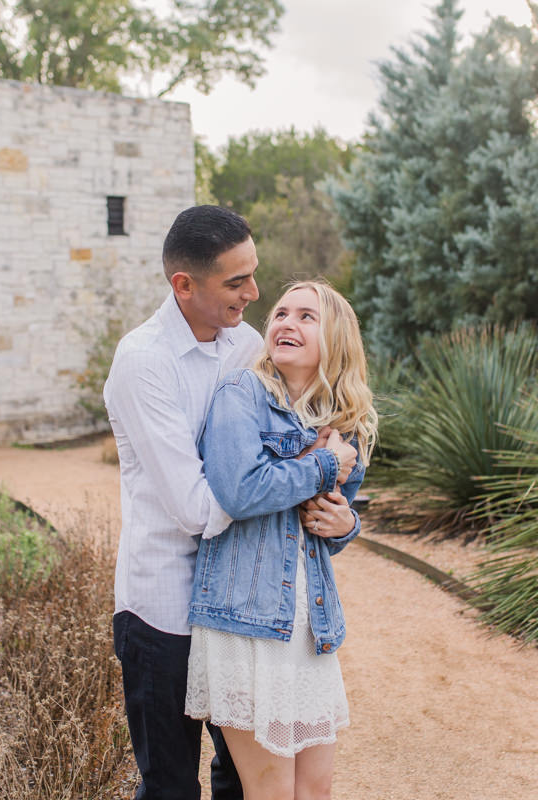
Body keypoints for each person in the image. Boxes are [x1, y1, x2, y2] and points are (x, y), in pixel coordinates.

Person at [105, 206, 340, 800]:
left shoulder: (249, 347)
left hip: (243, 604)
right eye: (237, 282)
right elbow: (198, 507)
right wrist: (299, 473)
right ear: (184, 285)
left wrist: (340, 514)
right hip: (164, 609)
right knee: (170, 787)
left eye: (253, 274)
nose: (255, 293)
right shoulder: (143, 362)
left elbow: (310, 444)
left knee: (243, 781)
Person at [185, 280, 377, 800]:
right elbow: (240, 491)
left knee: (315, 789)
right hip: (244, 618)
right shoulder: (240, 395)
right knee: (269, 789)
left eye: (306, 316)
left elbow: (327, 522)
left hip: (308, 623)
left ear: (334, 339)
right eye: (281, 313)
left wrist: (347, 526)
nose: (287, 323)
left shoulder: (343, 421)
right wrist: (321, 464)